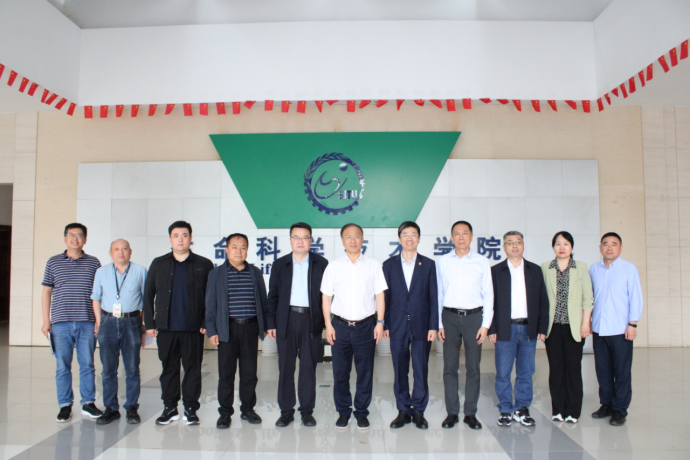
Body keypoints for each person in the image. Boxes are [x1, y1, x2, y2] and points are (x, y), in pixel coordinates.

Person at [143, 221, 213, 426]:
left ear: (190, 238)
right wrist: (150, 323)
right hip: (166, 328)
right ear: (170, 239)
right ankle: (170, 408)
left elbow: (211, 297)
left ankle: (191, 409)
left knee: (193, 369)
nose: (180, 239)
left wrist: (206, 321)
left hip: (193, 328)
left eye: (184, 235)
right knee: (169, 369)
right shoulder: (159, 263)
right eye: (176, 235)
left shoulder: (204, 264)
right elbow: (148, 294)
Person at [321, 223, 387, 430]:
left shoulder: (373, 265)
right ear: (342, 241)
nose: (352, 240)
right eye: (348, 237)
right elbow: (326, 297)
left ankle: (361, 412)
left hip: (366, 326)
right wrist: (328, 325)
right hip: (339, 326)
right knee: (340, 372)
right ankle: (343, 411)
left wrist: (380, 322)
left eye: (356, 236)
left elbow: (380, 295)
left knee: (365, 372)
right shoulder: (333, 266)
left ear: (362, 239)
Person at [266, 223, 328, 428]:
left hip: (311, 320)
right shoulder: (280, 264)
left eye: (305, 237)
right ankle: (286, 411)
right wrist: (271, 323)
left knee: (308, 367)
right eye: (296, 237)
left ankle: (307, 411)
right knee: (286, 368)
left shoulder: (321, 263)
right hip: (287, 320)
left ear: (311, 240)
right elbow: (273, 296)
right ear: (290, 240)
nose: (300, 241)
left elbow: (328, 295)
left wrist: (326, 322)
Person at [41, 223, 104, 423]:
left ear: (85, 239)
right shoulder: (53, 262)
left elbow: (98, 293)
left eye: (79, 235)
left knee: (87, 364)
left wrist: (98, 320)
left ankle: (88, 403)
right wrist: (46, 320)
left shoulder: (93, 263)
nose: (75, 239)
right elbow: (47, 291)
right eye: (71, 235)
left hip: (87, 321)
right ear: (65, 238)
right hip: (60, 322)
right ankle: (65, 405)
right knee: (62, 366)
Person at [206, 233, 268, 429]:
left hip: (250, 328)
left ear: (247, 250)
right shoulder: (216, 274)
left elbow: (263, 301)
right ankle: (225, 413)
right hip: (227, 328)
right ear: (226, 250)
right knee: (226, 374)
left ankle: (248, 409)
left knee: (249, 373)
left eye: (243, 247)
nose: (238, 251)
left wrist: (264, 326)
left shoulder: (255, 272)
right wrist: (212, 330)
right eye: (234, 247)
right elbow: (210, 304)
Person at [437, 220, 493, 430]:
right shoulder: (443, 262)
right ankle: (452, 412)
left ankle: (470, 413)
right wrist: (439, 323)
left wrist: (485, 325)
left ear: (471, 237)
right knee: (449, 367)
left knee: (473, 368)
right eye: (457, 234)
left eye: (465, 233)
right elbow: (439, 293)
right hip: (449, 318)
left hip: (473, 318)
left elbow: (488, 294)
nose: (461, 237)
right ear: (451, 238)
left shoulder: (481, 261)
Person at [489, 231, 549, 427]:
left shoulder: (534, 270)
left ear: (523, 245)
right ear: (504, 247)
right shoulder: (495, 271)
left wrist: (541, 326)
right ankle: (505, 409)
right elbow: (489, 302)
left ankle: (522, 408)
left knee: (526, 372)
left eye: (518, 242)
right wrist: (492, 328)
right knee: (503, 372)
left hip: (528, 328)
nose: (514, 245)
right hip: (504, 329)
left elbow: (543, 300)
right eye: (510, 243)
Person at [383, 221, 438, 430]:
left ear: (419, 239)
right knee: (399, 369)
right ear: (399, 239)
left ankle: (419, 411)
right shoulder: (389, 265)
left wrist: (433, 326)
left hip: (421, 325)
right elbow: (385, 297)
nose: (409, 238)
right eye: (405, 234)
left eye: (413, 234)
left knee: (421, 368)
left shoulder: (428, 264)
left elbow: (433, 297)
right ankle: (403, 410)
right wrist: (385, 323)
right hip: (397, 324)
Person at [91, 239, 147, 425]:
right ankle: (111, 408)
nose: (121, 252)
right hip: (107, 321)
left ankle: (132, 407)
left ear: (130, 251)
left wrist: (143, 324)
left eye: (124, 249)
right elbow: (96, 298)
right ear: (110, 253)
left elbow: (146, 299)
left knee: (132, 368)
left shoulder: (140, 271)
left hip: (132, 321)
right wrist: (99, 322)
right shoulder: (101, 272)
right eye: (116, 249)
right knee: (108, 369)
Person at [589, 232, 643, 427]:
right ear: (600, 248)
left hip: (621, 329)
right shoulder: (593, 269)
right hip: (599, 329)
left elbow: (636, 297)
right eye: (606, 244)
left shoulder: (629, 269)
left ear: (620, 248)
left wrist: (633, 324)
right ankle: (607, 405)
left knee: (621, 371)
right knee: (602, 370)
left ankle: (620, 410)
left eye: (614, 244)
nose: (609, 247)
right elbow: (590, 298)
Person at [541, 231, 593, 424]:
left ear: (572, 247)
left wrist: (585, 323)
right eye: (558, 244)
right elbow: (541, 299)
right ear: (553, 247)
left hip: (575, 327)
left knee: (573, 369)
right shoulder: (546, 267)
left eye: (566, 244)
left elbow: (588, 298)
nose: (561, 247)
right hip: (553, 327)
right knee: (555, 369)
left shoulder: (581, 267)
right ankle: (558, 409)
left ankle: (573, 411)